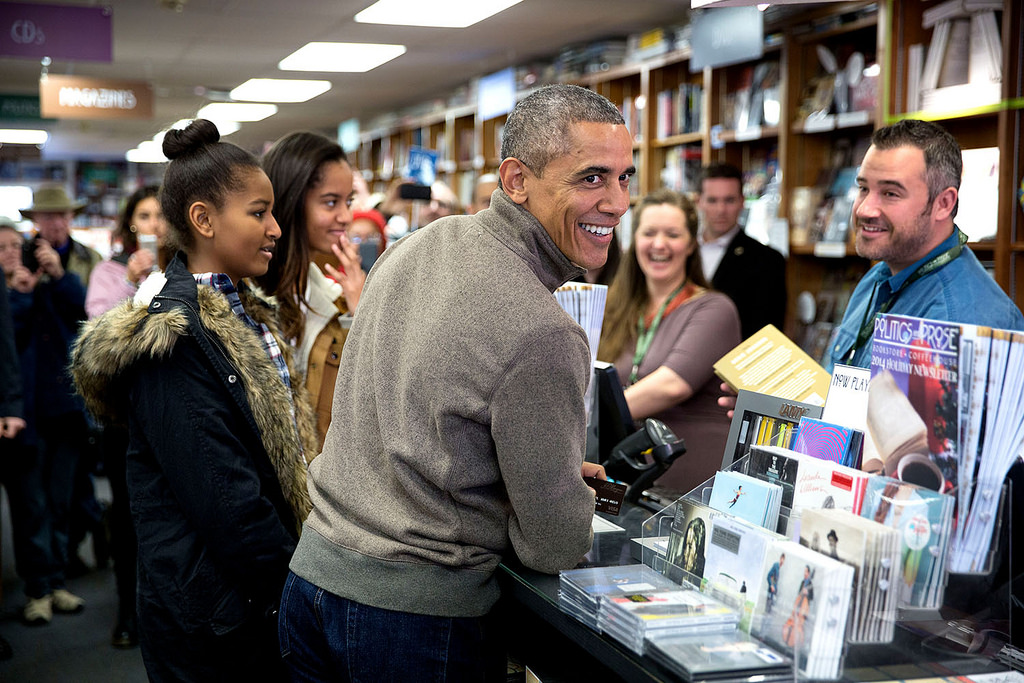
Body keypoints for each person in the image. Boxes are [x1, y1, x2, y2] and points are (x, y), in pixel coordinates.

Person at [279, 84, 626, 681]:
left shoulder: (418, 245)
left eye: (626, 177)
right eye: (592, 178)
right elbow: (554, 543)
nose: (618, 202)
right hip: (413, 621)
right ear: (516, 180)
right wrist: (562, 493)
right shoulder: (545, 332)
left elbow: (416, 423)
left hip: (311, 582)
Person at [70, 119, 316, 681]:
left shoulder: (238, 313)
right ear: (204, 220)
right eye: (258, 213)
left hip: (247, 606)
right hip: (218, 621)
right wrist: (298, 591)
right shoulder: (174, 341)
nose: (276, 228)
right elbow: (227, 501)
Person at [827, 119, 1024, 372]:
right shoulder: (878, 279)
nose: (864, 209)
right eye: (863, 188)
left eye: (890, 193)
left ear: (943, 203)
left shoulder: (963, 324)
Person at [598, 188, 741, 496]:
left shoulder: (715, 309)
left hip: (692, 488)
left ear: (691, 244)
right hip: (629, 480)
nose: (659, 244)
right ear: (634, 240)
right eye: (649, 233)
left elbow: (671, 385)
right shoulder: (615, 308)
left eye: (672, 234)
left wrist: (587, 416)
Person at [83, 185, 168, 649]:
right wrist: (137, 286)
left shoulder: (183, 272)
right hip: (123, 420)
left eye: (160, 215)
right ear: (130, 224)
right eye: (144, 215)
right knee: (130, 517)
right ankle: (127, 609)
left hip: (169, 417)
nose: (153, 224)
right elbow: (100, 342)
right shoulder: (108, 273)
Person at [2, 218, 90, 625]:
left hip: (66, 410)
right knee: (30, 506)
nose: (9, 255)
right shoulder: (9, 295)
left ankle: (56, 582)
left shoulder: (60, 279)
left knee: (60, 501)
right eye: (1, 249)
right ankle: (37, 588)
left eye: (12, 248)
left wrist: (56, 276)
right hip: (26, 415)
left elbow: (83, 317)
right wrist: (16, 296)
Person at [256, 131, 367, 450]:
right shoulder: (250, 293)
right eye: (330, 202)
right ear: (291, 200)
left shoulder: (331, 294)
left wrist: (361, 313)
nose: (346, 217)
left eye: (347, 202)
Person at [697, 162, 787, 339]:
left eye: (729, 200)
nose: (721, 210)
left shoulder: (768, 261)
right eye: (712, 200)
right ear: (699, 201)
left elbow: (766, 336)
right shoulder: (680, 251)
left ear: (742, 202)